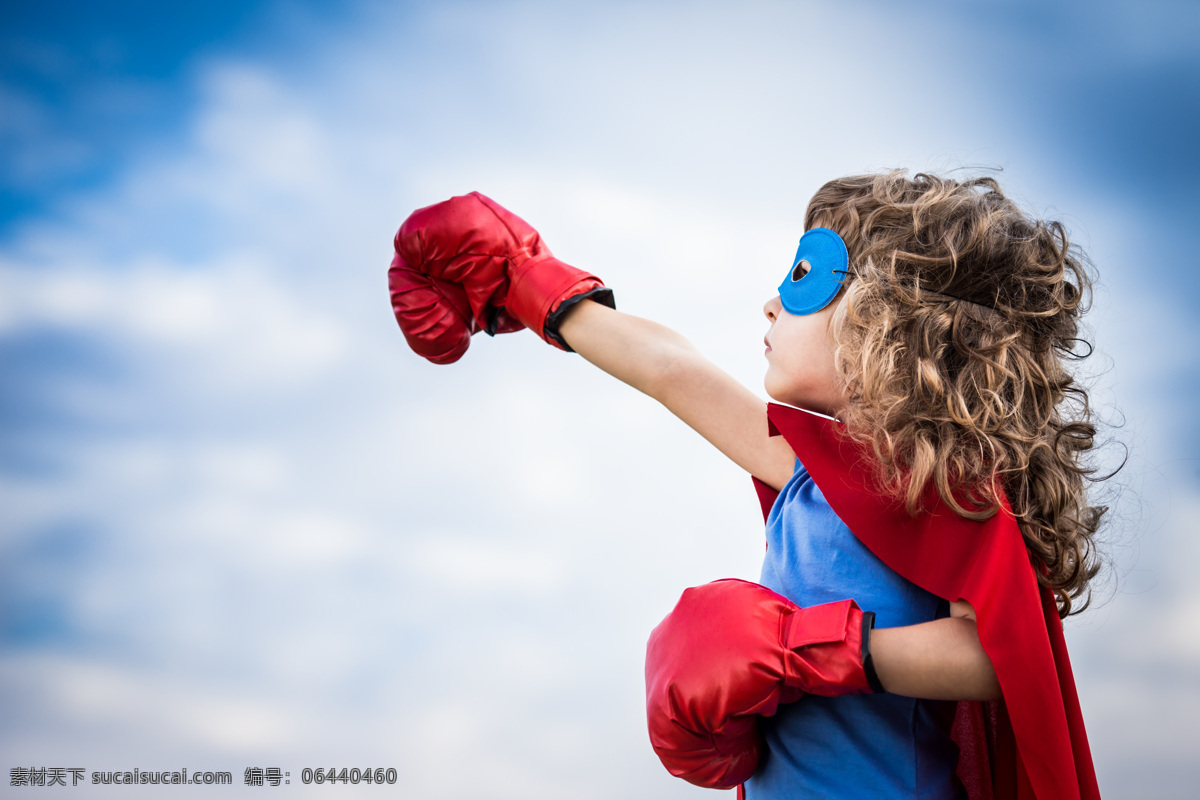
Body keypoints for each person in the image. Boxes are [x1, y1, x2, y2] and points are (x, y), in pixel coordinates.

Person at [387, 171, 1105, 800]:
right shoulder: (806, 473)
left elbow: (993, 655)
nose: (770, 305)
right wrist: (524, 276)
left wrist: (803, 648)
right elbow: (673, 371)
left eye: (803, 279)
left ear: (896, 322)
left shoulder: (940, 481)